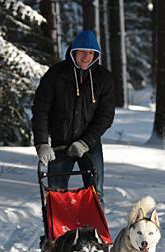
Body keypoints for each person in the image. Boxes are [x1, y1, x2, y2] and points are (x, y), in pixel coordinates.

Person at [32, 29, 115, 206]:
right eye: (83, 52)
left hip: (90, 145)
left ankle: (94, 232)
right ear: (73, 52)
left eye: (91, 53)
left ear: (96, 55)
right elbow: (41, 110)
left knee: (95, 193)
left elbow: (105, 116)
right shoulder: (56, 74)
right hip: (60, 144)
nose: (86, 57)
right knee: (56, 194)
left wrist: (85, 142)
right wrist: (42, 143)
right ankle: (57, 232)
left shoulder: (103, 78)